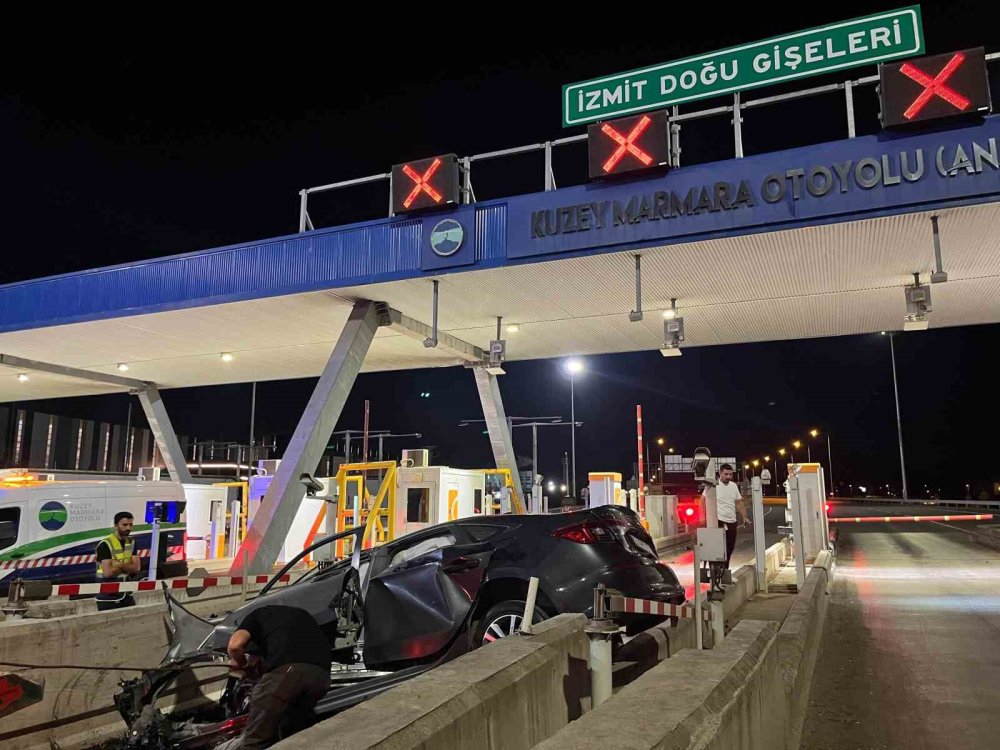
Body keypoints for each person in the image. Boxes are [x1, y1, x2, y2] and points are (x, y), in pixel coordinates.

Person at [219, 605, 332, 750]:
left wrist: (243, 665)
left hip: (290, 672)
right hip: (321, 677)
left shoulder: (254, 617)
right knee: (290, 733)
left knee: (254, 742)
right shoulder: (297, 616)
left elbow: (235, 646)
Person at [95, 511, 140, 611]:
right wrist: (128, 566)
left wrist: (117, 564)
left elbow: (136, 568)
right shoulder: (105, 544)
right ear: (116, 525)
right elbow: (108, 573)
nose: (128, 528)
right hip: (108, 597)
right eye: (124, 525)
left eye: (130, 525)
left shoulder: (131, 542)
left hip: (127, 594)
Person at [713, 463, 750, 569]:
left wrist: (745, 517)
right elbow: (703, 500)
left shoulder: (733, 486)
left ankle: (725, 570)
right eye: (726, 474)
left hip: (731, 521)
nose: (728, 476)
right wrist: (703, 517)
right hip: (718, 520)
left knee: (730, 547)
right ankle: (716, 567)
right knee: (718, 547)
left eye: (730, 474)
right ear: (720, 473)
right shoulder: (714, 486)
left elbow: (739, 503)